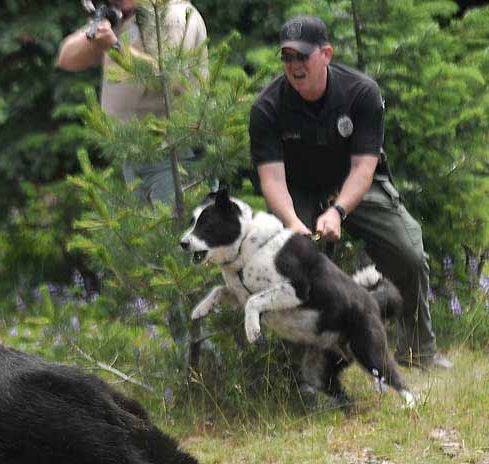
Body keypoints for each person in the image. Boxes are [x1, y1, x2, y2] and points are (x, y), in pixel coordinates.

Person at [249, 15, 451, 369]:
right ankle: (299, 371)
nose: (294, 66)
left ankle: (419, 352)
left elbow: (363, 167)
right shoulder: (267, 106)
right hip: (299, 190)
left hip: (357, 184)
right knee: (286, 262)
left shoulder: (360, 92)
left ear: (326, 54)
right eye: (287, 57)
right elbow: (272, 180)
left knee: (409, 251)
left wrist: (338, 211)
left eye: (303, 56)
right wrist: (294, 224)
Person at [56, 1, 208, 205]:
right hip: (136, 156)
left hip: (173, 155)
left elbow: (169, 79)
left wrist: (116, 47)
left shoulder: (173, 16)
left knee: (180, 233)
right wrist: (97, 34)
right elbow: (67, 58)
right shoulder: (123, 17)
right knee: (152, 236)